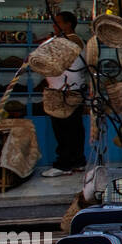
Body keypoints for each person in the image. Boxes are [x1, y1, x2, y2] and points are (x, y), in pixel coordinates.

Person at [40, 11, 88, 178]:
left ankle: (64, 164)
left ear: (68, 24)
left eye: (58, 22)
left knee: (65, 129)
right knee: (73, 128)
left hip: (66, 92)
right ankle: (77, 161)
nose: (55, 25)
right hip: (66, 89)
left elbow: (52, 59)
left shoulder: (71, 41)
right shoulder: (66, 41)